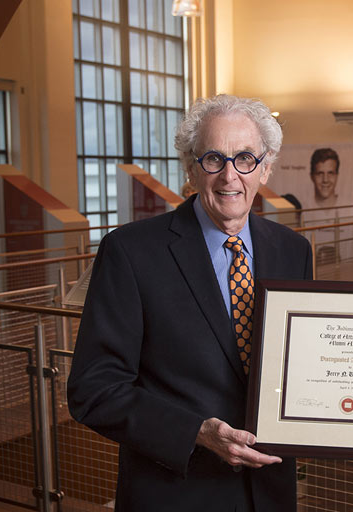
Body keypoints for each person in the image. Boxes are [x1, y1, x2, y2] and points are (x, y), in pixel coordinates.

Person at [67, 95, 313, 511]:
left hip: (269, 490)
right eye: (214, 159)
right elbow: (93, 389)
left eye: (246, 159)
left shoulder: (293, 250)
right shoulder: (130, 252)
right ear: (191, 167)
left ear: (266, 167)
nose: (230, 176)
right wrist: (198, 432)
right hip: (176, 492)